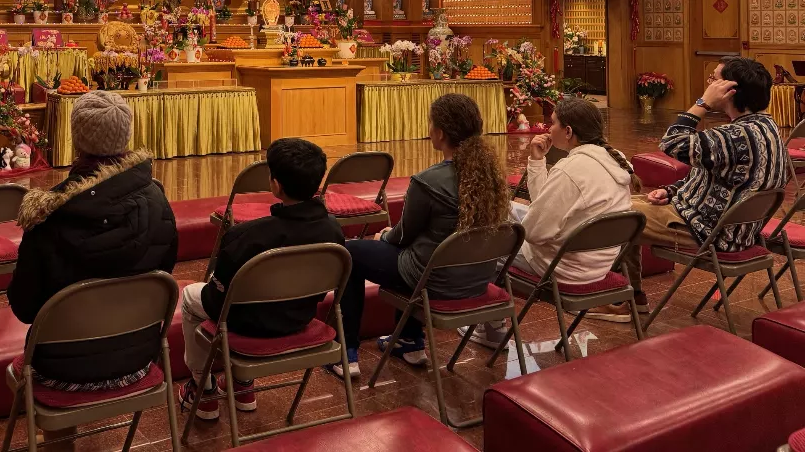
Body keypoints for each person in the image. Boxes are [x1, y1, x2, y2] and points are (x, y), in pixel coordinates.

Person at [589, 57, 789, 321]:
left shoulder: (735, 136)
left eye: (714, 79)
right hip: (740, 230)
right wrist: (672, 191)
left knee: (617, 212)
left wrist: (702, 104)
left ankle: (619, 301)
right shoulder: (768, 127)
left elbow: (672, 143)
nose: (708, 83)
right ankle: (630, 296)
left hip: (710, 232)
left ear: (729, 90)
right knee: (629, 203)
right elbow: (718, 177)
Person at [8, 91, 177, 391]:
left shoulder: (48, 216)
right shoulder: (158, 202)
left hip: (61, 369)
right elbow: (165, 271)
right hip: (137, 358)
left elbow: (24, 308)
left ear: (77, 139)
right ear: (126, 134)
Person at [330, 94, 510, 376]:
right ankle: (409, 340)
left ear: (440, 133)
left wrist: (384, 236)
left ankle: (346, 353)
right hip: (477, 278)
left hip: (435, 281)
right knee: (419, 250)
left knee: (350, 253)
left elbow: (403, 236)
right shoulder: (493, 176)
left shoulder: (428, 181)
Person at [177, 138, 344, 419]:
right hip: (299, 317)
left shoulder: (245, 235)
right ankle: (242, 385)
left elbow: (218, 300)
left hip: (246, 324)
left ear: (276, 185)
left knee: (190, 297)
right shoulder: (334, 232)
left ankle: (202, 389)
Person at [462, 98, 638, 347]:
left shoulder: (571, 169)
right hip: (597, 263)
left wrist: (504, 228)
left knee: (488, 239)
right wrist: (537, 161)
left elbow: (533, 233)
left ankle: (491, 328)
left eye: (552, 123)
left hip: (563, 268)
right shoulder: (615, 159)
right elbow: (545, 206)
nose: (547, 128)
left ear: (568, 131)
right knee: (507, 209)